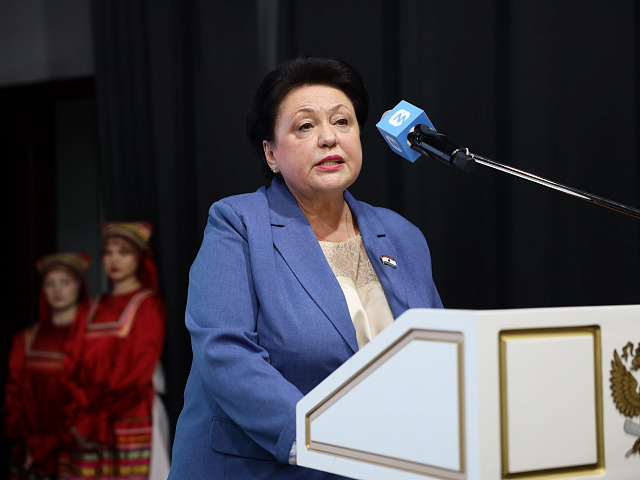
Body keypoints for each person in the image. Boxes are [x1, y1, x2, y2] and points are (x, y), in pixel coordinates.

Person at [168, 55, 443, 479]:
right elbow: (226, 352)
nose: (329, 138)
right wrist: (328, 438)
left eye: (342, 122)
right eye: (305, 126)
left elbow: (438, 352)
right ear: (271, 153)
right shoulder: (238, 224)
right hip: (270, 465)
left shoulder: (401, 234)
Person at [66, 222, 168, 480]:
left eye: (123, 253)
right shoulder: (91, 307)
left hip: (132, 416)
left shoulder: (147, 305)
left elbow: (139, 368)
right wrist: (82, 415)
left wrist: (100, 413)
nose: (114, 260)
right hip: (87, 421)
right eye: (108, 252)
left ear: (139, 257)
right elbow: (71, 363)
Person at [4, 252, 91, 480]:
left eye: (64, 282)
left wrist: (72, 431)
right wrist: (28, 438)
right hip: (32, 449)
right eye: (50, 284)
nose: (57, 290)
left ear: (78, 286)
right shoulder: (26, 339)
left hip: (73, 447)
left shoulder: (90, 338)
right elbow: (14, 392)